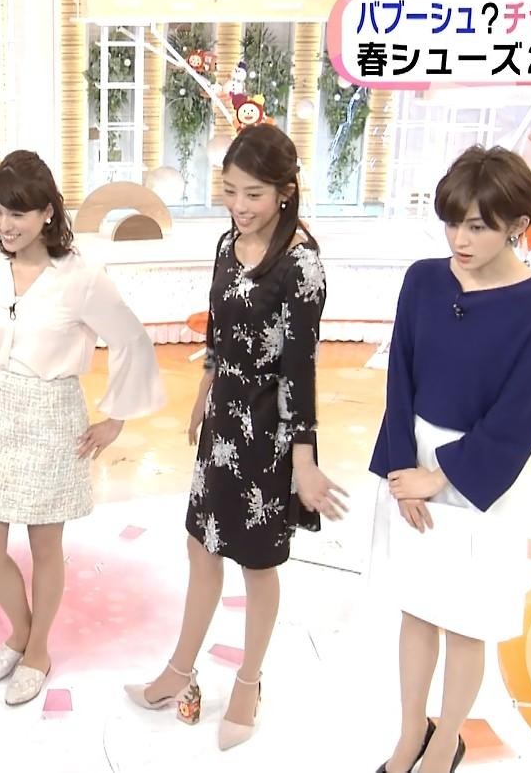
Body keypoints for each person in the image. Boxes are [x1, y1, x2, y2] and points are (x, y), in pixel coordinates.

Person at [125, 124, 348, 749]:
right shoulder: (226, 244)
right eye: (229, 191)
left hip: (270, 432)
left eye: (254, 194)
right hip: (224, 418)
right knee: (201, 545)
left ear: (285, 191)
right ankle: (179, 668)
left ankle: (249, 682)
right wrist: (204, 393)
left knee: (257, 562)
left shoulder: (302, 265)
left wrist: (305, 460)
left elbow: (301, 368)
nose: (240, 206)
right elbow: (219, 333)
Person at [368, 145, 531, 773]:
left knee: (463, 621)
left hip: (478, 475)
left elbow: (520, 416)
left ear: (517, 225)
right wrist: (403, 472)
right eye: (453, 223)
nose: (460, 239)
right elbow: (400, 376)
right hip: (412, 462)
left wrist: (439, 478)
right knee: (416, 608)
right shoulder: (423, 280)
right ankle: (410, 734)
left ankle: (445, 742)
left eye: (478, 226)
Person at [0, 150, 166, 706]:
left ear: (47, 212)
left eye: (17, 214)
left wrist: (115, 417)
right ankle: (20, 630)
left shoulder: (82, 276)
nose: (5, 225)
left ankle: (37, 650)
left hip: (53, 413)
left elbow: (131, 339)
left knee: (44, 545)